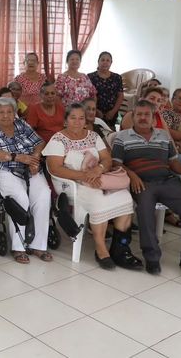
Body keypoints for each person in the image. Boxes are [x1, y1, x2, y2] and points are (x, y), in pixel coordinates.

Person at [112, 100, 181, 280]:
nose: (143, 118)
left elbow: (173, 162)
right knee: (145, 211)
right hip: (142, 182)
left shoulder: (163, 135)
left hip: (167, 180)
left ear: (153, 117)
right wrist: (132, 175)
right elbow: (116, 164)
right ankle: (152, 257)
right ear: (133, 116)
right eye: (139, 114)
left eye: (147, 114)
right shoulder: (122, 137)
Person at [45, 103, 142, 270]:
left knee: (125, 198)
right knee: (98, 201)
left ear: (85, 120)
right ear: (65, 120)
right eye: (73, 118)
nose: (77, 122)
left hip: (98, 178)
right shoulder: (58, 139)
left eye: (81, 118)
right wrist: (85, 176)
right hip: (72, 184)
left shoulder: (93, 136)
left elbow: (107, 158)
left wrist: (99, 169)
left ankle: (120, 248)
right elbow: (55, 169)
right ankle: (101, 249)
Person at [0, 98, 53, 264]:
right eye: (1, 112)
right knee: (20, 199)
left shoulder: (22, 125)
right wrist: (15, 157)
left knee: (44, 195)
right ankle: (18, 247)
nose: (5, 115)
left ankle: (38, 245)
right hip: (5, 170)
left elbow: (40, 142)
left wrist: (35, 158)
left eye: (9, 112)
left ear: (15, 113)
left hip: (30, 168)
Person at [88, 51, 124, 129]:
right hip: (94, 113)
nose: (105, 62)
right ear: (98, 61)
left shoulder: (117, 77)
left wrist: (113, 112)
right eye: (103, 60)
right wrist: (96, 110)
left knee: (110, 133)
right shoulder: (90, 77)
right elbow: (87, 97)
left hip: (112, 114)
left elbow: (120, 96)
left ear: (111, 63)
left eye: (108, 60)